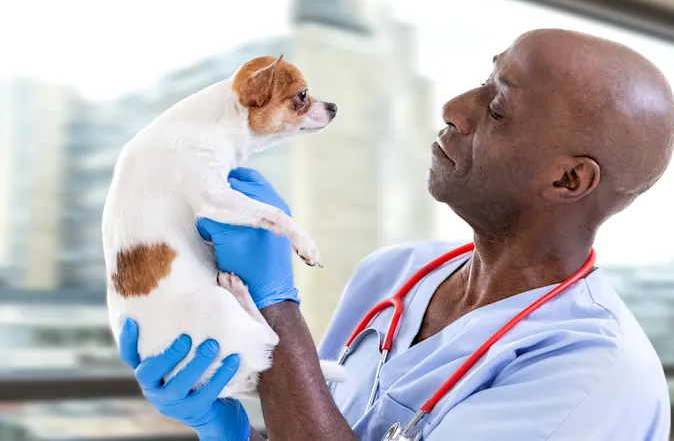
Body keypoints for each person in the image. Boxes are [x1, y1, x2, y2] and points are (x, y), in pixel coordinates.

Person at [118, 29, 674, 441]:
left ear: (568, 179)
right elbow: (319, 427)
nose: (455, 108)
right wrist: (232, 434)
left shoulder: (593, 376)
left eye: (498, 105)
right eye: (484, 80)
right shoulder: (393, 274)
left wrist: (275, 309)